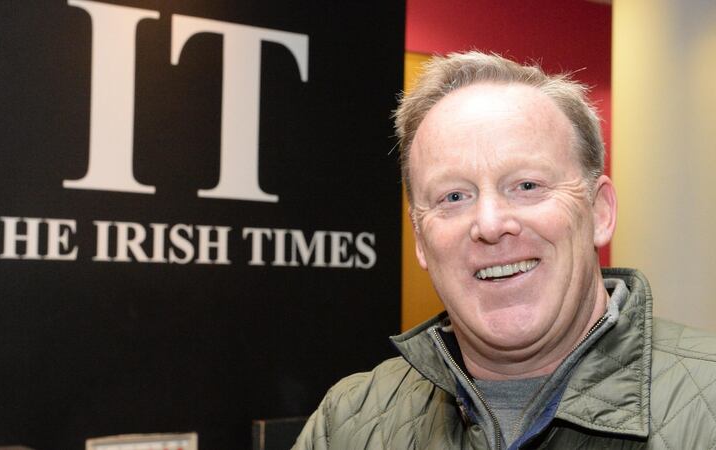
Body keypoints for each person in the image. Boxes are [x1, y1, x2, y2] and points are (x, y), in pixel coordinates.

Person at [293, 52, 716, 449]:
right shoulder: (348, 422)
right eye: (454, 197)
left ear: (599, 212)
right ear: (420, 238)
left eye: (527, 186)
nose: (491, 225)